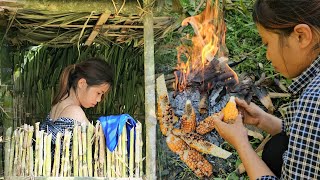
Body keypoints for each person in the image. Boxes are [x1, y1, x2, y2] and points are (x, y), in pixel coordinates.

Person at [211, 0, 320, 179]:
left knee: (274, 152)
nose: (267, 55)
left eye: (267, 43)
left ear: (301, 36)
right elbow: (308, 139)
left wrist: (241, 144)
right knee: (277, 149)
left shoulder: (315, 100)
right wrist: (263, 120)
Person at [40, 57, 114, 143]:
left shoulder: (57, 104)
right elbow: (103, 141)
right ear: (82, 83)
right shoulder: (75, 112)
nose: (99, 99)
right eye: (98, 93)